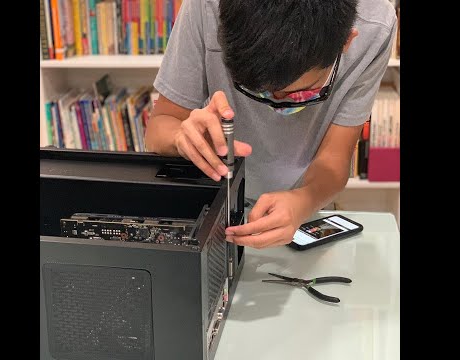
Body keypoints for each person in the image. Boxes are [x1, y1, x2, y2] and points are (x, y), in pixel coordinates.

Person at [144, 0, 397, 248]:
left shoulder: (376, 26)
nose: (275, 104)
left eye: (299, 94)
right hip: (218, 210)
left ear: (347, 42)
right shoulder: (204, 7)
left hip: (303, 213)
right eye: (254, 91)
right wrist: (181, 137)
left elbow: (335, 159)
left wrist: (303, 201)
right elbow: (160, 128)